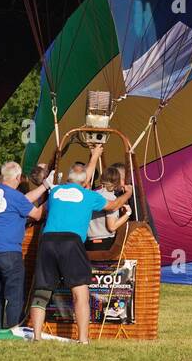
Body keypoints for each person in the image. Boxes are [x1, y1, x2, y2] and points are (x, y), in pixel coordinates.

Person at [29, 145, 132, 343]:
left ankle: (36, 337)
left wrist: (94, 156)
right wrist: (127, 194)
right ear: (84, 181)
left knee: (41, 291)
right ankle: (83, 339)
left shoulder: (56, 191)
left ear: (67, 179)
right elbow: (113, 205)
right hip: (71, 242)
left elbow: (38, 213)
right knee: (80, 292)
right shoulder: (89, 196)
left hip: (48, 240)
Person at [0, 162, 47, 330]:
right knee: (14, 293)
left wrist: (45, 186)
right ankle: (14, 328)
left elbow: (23, 200)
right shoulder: (16, 197)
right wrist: (53, 195)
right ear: (18, 178)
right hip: (9, 251)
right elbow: (38, 214)